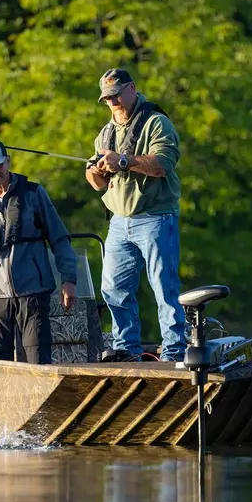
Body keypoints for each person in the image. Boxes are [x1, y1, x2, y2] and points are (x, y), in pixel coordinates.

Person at [85, 68, 187, 362]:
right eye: (107, 98)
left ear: (132, 89)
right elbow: (96, 184)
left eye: (116, 95)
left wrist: (123, 160)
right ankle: (126, 349)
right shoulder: (105, 133)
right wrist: (95, 170)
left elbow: (163, 164)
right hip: (119, 222)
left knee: (164, 288)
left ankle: (174, 351)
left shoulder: (156, 122)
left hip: (156, 218)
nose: (112, 102)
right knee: (113, 289)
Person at [0, 139, 78, 364]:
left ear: (8, 162)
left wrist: (68, 279)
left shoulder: (34, 193)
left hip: (33, 292)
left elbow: (59, 239)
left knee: (37, 361)